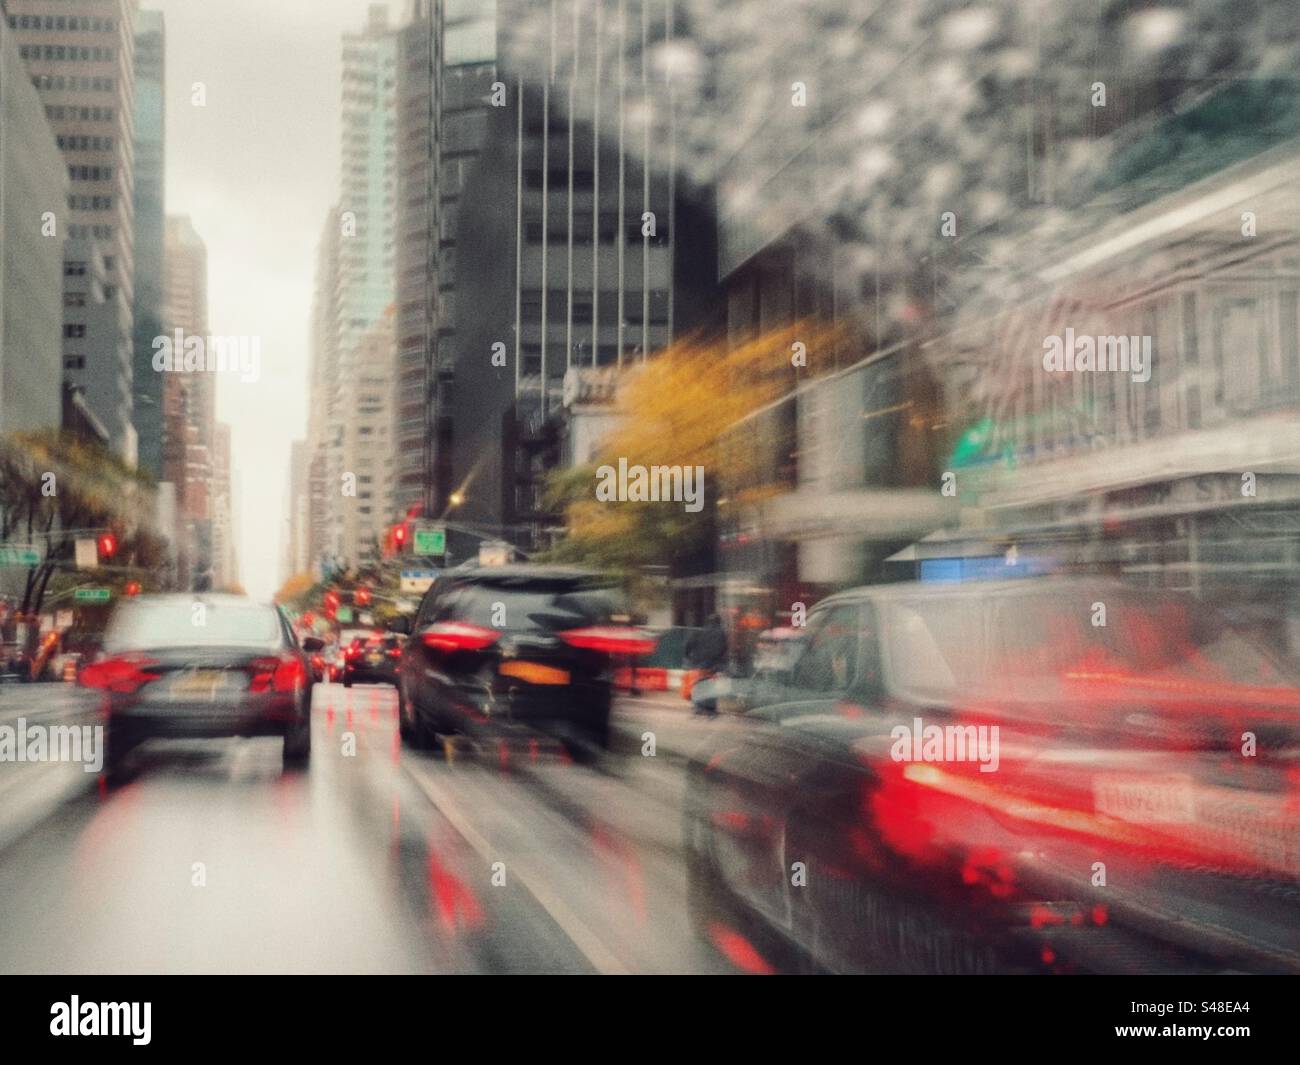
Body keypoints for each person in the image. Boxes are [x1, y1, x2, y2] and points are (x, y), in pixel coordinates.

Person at [685, 614, 728, 715]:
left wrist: (689, 657)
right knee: (711, 686)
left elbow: (689, 644)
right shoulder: (721, 633)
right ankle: (710, 708)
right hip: (713, 664)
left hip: (699, 663)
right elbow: (723, 649)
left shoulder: (701, 631)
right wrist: (721, 663)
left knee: (699, 684)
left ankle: (698, 707)